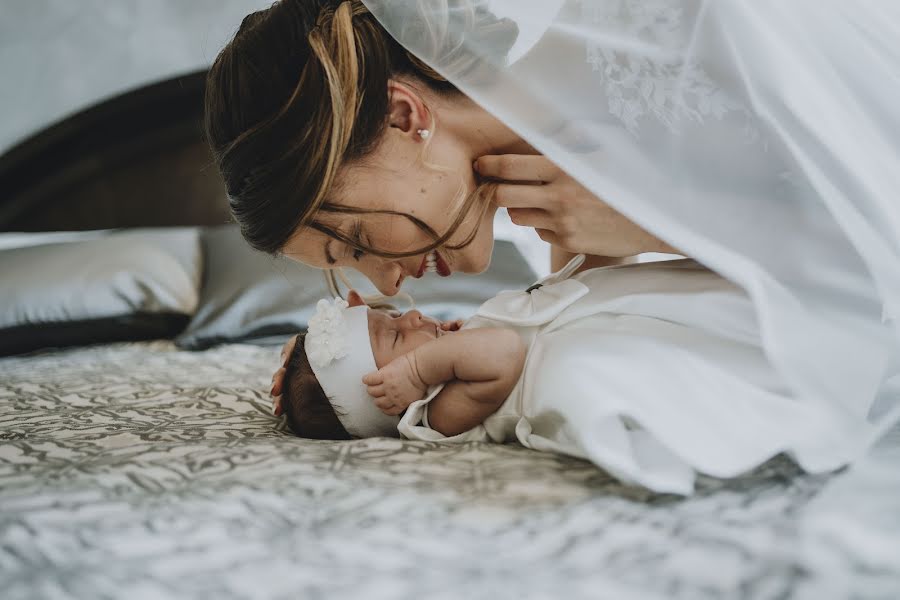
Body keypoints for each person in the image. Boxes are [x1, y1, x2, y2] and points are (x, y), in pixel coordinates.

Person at [209, 0, 900, 460]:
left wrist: (650, 220)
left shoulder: (687, 21)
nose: (387, 283)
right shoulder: (559, 215)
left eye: (355, 241)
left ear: (402, 116)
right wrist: (332, 383)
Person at [277, 256, 863, 495]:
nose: (410, 316)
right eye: (397, 338)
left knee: (703, 308)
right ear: (391, 398)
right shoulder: (435, 418)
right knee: (694, 358)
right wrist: (425, 364)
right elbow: (503, 353)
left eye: (395, 317)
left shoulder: (439, 355)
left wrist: (386, 336)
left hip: (594, 320)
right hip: (577, 363)